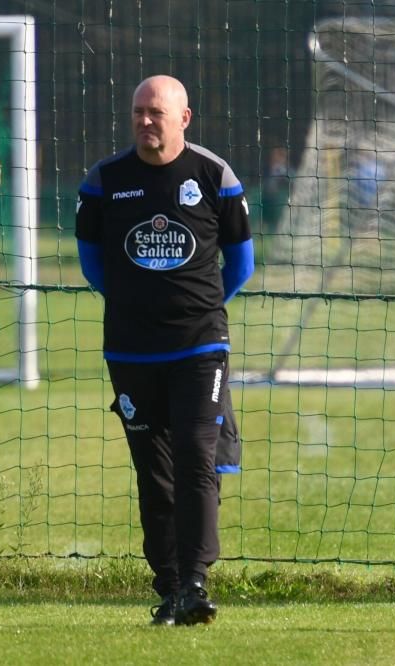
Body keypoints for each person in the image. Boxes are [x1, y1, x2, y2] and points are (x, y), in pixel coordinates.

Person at [74, 75, 254, 626]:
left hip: (200, 349)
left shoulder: (215, 177)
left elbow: (241, 265)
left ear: (184, 117)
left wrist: (194, 312)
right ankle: (171, 586)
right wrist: (137, 306)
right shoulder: (103, 183)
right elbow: (91, 263)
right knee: (153, 472)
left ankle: (197, 582)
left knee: (196, 457)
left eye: (156, 112)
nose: (146, 121)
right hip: (131, 353)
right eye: (138, 113)